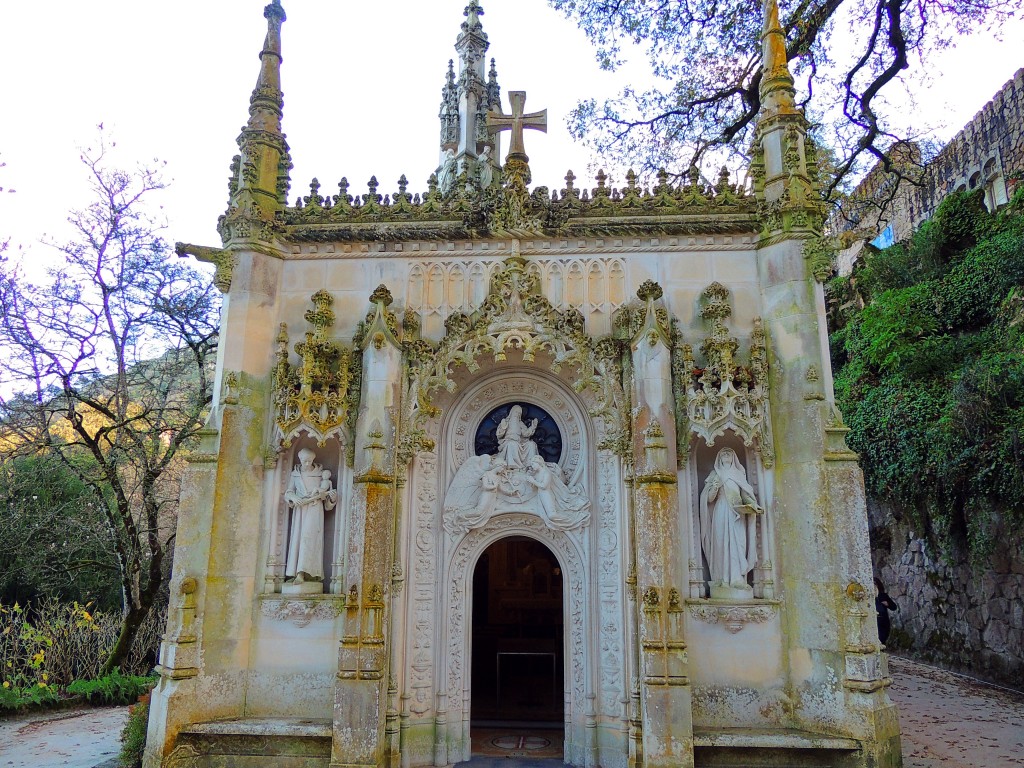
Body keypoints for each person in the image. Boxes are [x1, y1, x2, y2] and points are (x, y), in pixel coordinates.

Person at [698, 447, 764, 595]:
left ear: (733, 457)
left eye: (729, 453)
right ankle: (722, 579)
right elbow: (708, 499)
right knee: (721, 544)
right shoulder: (715, 475)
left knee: (737, 544)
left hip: (737, 514)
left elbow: (745, 494)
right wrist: (714, 488)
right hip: (721, 511)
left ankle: (737, 579)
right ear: (719, 457)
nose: (726, 455)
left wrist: (752, 505)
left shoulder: (739, 474)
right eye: (723, 453)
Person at [284, 448, 337, 584]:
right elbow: (288, 492)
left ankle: (304, 573)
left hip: (314, 510)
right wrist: (293, 497)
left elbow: (327, 500)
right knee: (298, 539)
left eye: (309, 461)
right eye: (304, 461)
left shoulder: (320, 475)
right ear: (299, 460)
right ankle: (296, 572)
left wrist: (332, 498)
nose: (307, 464)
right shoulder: (295, 474)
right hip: (300, 510)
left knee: (309, 538)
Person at [495, 404, 541, 468]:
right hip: (508, 441)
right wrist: (503, 427)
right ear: (512, 412)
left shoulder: (520, 423)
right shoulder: (506, 421)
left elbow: (526, 433)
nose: (517, 414)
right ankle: (513, 465)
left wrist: (533, 426)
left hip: (520, 442)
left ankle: (530, 464)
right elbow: (499, 435)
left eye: (519, 413)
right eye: (516, 412)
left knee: (531, 444)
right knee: (512, 444)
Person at [874, 577, 899, 645]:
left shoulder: (883, 595)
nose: (874, 586)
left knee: (883, 637)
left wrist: (887, 604)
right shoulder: (868, 596)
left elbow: (894, 607)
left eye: (875, 584)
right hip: (874, 620)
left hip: (884, 619)